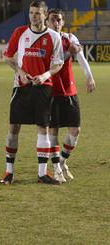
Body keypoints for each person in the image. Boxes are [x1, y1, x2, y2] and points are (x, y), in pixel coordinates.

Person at [1, 0, 64, 185]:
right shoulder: (19, 32)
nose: (33, 16)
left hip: (43, 87)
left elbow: (58, 63)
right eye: (31, 12)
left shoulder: (54, 37)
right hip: (21, 86)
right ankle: (8, 172)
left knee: (43, 128)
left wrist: (45, 75)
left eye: (37, 13)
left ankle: (42, 173)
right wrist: (20, 72)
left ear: (45, 15)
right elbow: (7, 57)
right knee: (14, 128)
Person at [46, 9, 95, 182]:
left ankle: (62, 160)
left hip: (69, 90)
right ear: (47, 22)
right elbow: (55, 62)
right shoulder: (45, 40)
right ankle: (57, 168)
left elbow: (81, 57)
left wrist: (89, 78)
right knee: (53, 130)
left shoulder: (70, 38)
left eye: (59, 20)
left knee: (75, 129)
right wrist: (69, 53)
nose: (56, 23)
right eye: (53, 20)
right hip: (50, 90)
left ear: (62, 22)